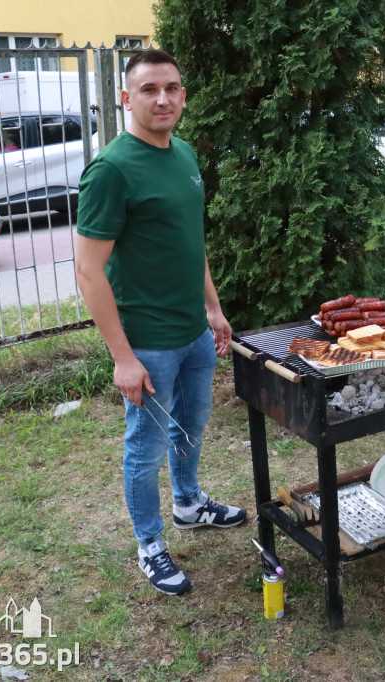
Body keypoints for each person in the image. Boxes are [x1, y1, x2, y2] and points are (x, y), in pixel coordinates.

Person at [75, 48, 246, 597]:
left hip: (193, 334)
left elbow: (188, 243)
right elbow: (88, 271)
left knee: (191, 430)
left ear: (184, 95)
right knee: (145, 450)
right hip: (146, 344)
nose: (163, 98)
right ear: (127, 99)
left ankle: (189, 503)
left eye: (171, 87)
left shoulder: (185, 155)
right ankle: (150, 543)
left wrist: (213, 309)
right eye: (148, 89)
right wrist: (123, 358)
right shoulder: (112, 169)